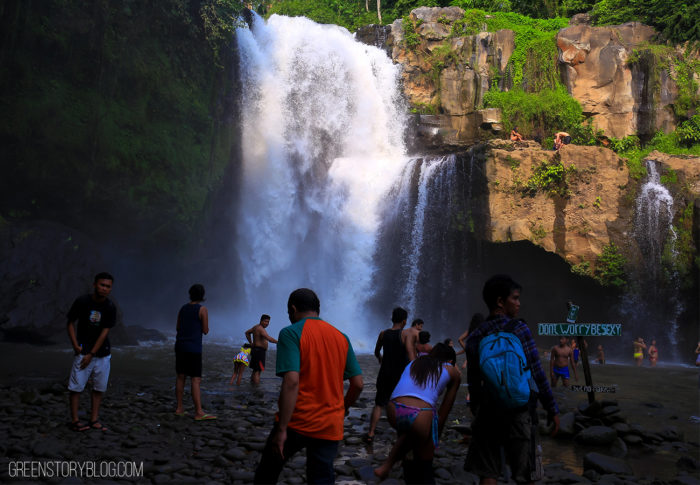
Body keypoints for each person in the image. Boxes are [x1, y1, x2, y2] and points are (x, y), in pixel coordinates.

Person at [253, 288, 363, 484]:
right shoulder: (341, 337)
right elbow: (358, 384)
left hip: (298, 420)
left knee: (267, 472)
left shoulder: (290, 333)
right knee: (321, 477)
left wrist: (282, 429)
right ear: (317, 309)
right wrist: (343, 408)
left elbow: (292, 382)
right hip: (330, 423)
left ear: (293, 309)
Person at [464, 275, 559, 485]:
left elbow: (473, 380)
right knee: (526, 474)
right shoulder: (519, 329)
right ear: (500, 301)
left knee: (488, 472)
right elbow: (537, 373)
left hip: (488, 411)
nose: (519, 303)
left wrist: (477, 408)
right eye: (515, 298)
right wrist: (552, 408)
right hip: (520, 411)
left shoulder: (475, 336)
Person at [373, 343, 461, 484]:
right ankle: (388, 464)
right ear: (450, 361)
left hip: (393, 409)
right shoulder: (451, 370)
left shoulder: (415, 362)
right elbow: (444, 411)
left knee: (408, 440)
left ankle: (392, 465)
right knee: (424, 459)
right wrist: (434, 437)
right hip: (420, 414)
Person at [66, 272, 117, 432]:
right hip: (83, 350)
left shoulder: (110, 307)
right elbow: (70, 323)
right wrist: (75, 345)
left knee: (99, 388)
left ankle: (94, 419)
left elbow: (104, 332)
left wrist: (92, 353)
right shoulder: (82, 302)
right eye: (102, 285)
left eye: (107, 286)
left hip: (102, 353)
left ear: (110, 289)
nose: (104, 289)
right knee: (76, 387)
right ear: (94, 285)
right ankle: (75, 420)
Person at [365, 307, 414, 444]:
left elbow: (376, 351)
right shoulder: (405, 335)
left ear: (392, 318)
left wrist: (381, 359)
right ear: (404, 321)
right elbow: (411, 357)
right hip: (399, 375)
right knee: (401, 404)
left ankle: (371, 433)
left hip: (384, 373)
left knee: (379, 404)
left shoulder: (383, 333)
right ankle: (401, 435)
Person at [174, 284, 216, 420]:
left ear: (190, 294)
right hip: (193, 348)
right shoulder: (202, 309)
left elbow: (178, 327)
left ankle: (179, 408)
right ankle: (199, 412)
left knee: (181, 376)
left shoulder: (183, 308)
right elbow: (205, 330)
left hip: (180, 346)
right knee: (196, 379)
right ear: (202, 295)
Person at [246, 314, 278, 385]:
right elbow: (268, 338)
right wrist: (279, 342)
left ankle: (252, 385)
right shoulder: (260, 329)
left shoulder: (255, 327)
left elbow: (247, 333)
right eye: (265, 321)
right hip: (259, 352)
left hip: (256, 350)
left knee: (255, 370)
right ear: (261, 321)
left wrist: (251, 343)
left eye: (268, 322)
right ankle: (256, 388)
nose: (267, 323)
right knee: (258, 370)